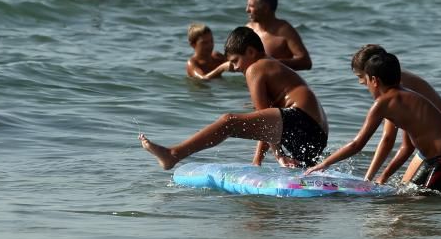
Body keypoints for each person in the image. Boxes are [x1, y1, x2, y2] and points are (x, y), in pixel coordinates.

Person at [141, 27, 328, 170]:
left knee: (228, 121)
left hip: (302, 123)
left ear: (250, 52)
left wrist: (266, 159)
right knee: (236, 122)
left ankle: (173, 154)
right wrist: (271, 157)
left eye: (235, 61)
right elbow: (268, 120)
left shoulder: (256, 68)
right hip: (315, 136)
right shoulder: (271, 65)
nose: (235, 68)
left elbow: (264, 119)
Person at [306, 51, 441, 194]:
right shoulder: (405, 96)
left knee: (416, 204)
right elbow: (407, 147)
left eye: (365, 80)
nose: (365, 85)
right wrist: (383, 177)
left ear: (374, 80)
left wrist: (324, 163)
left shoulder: (383, 103)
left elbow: (357, 144)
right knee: (407, 201)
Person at [351, 44, 441, 184]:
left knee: (409, 198)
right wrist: (378, 177)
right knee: (408, 194)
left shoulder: (394, 87)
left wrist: (368, 179)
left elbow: (388, 139)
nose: (361, 81)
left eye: (361, 76)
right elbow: (405, 142)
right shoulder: (397, 79)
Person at [245, 0, 312, 71]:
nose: (247, 10)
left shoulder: (284, 31)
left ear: (265, 8)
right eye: (247, 5)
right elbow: (236, 60)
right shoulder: (248, 29)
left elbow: (306, 62)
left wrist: (273, 63)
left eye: (251, 6)